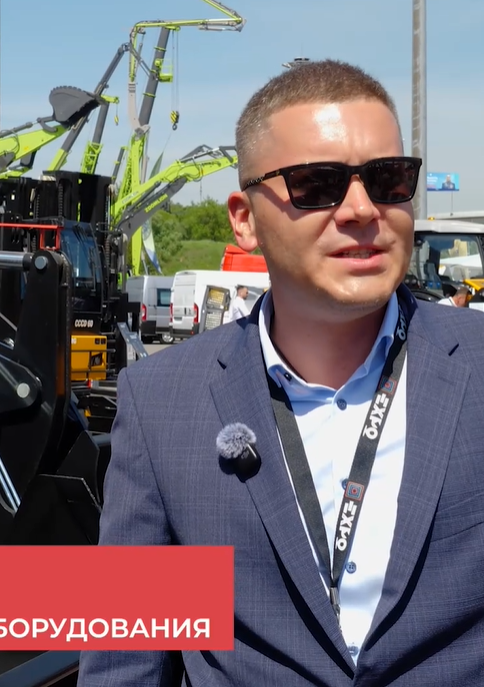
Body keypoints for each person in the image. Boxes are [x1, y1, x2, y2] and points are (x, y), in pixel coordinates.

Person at [77, 59, 484, 686]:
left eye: (388, 179)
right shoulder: (163, 404)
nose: (361, 209)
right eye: (317, 184)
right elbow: (127, 659)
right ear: (244, 219)